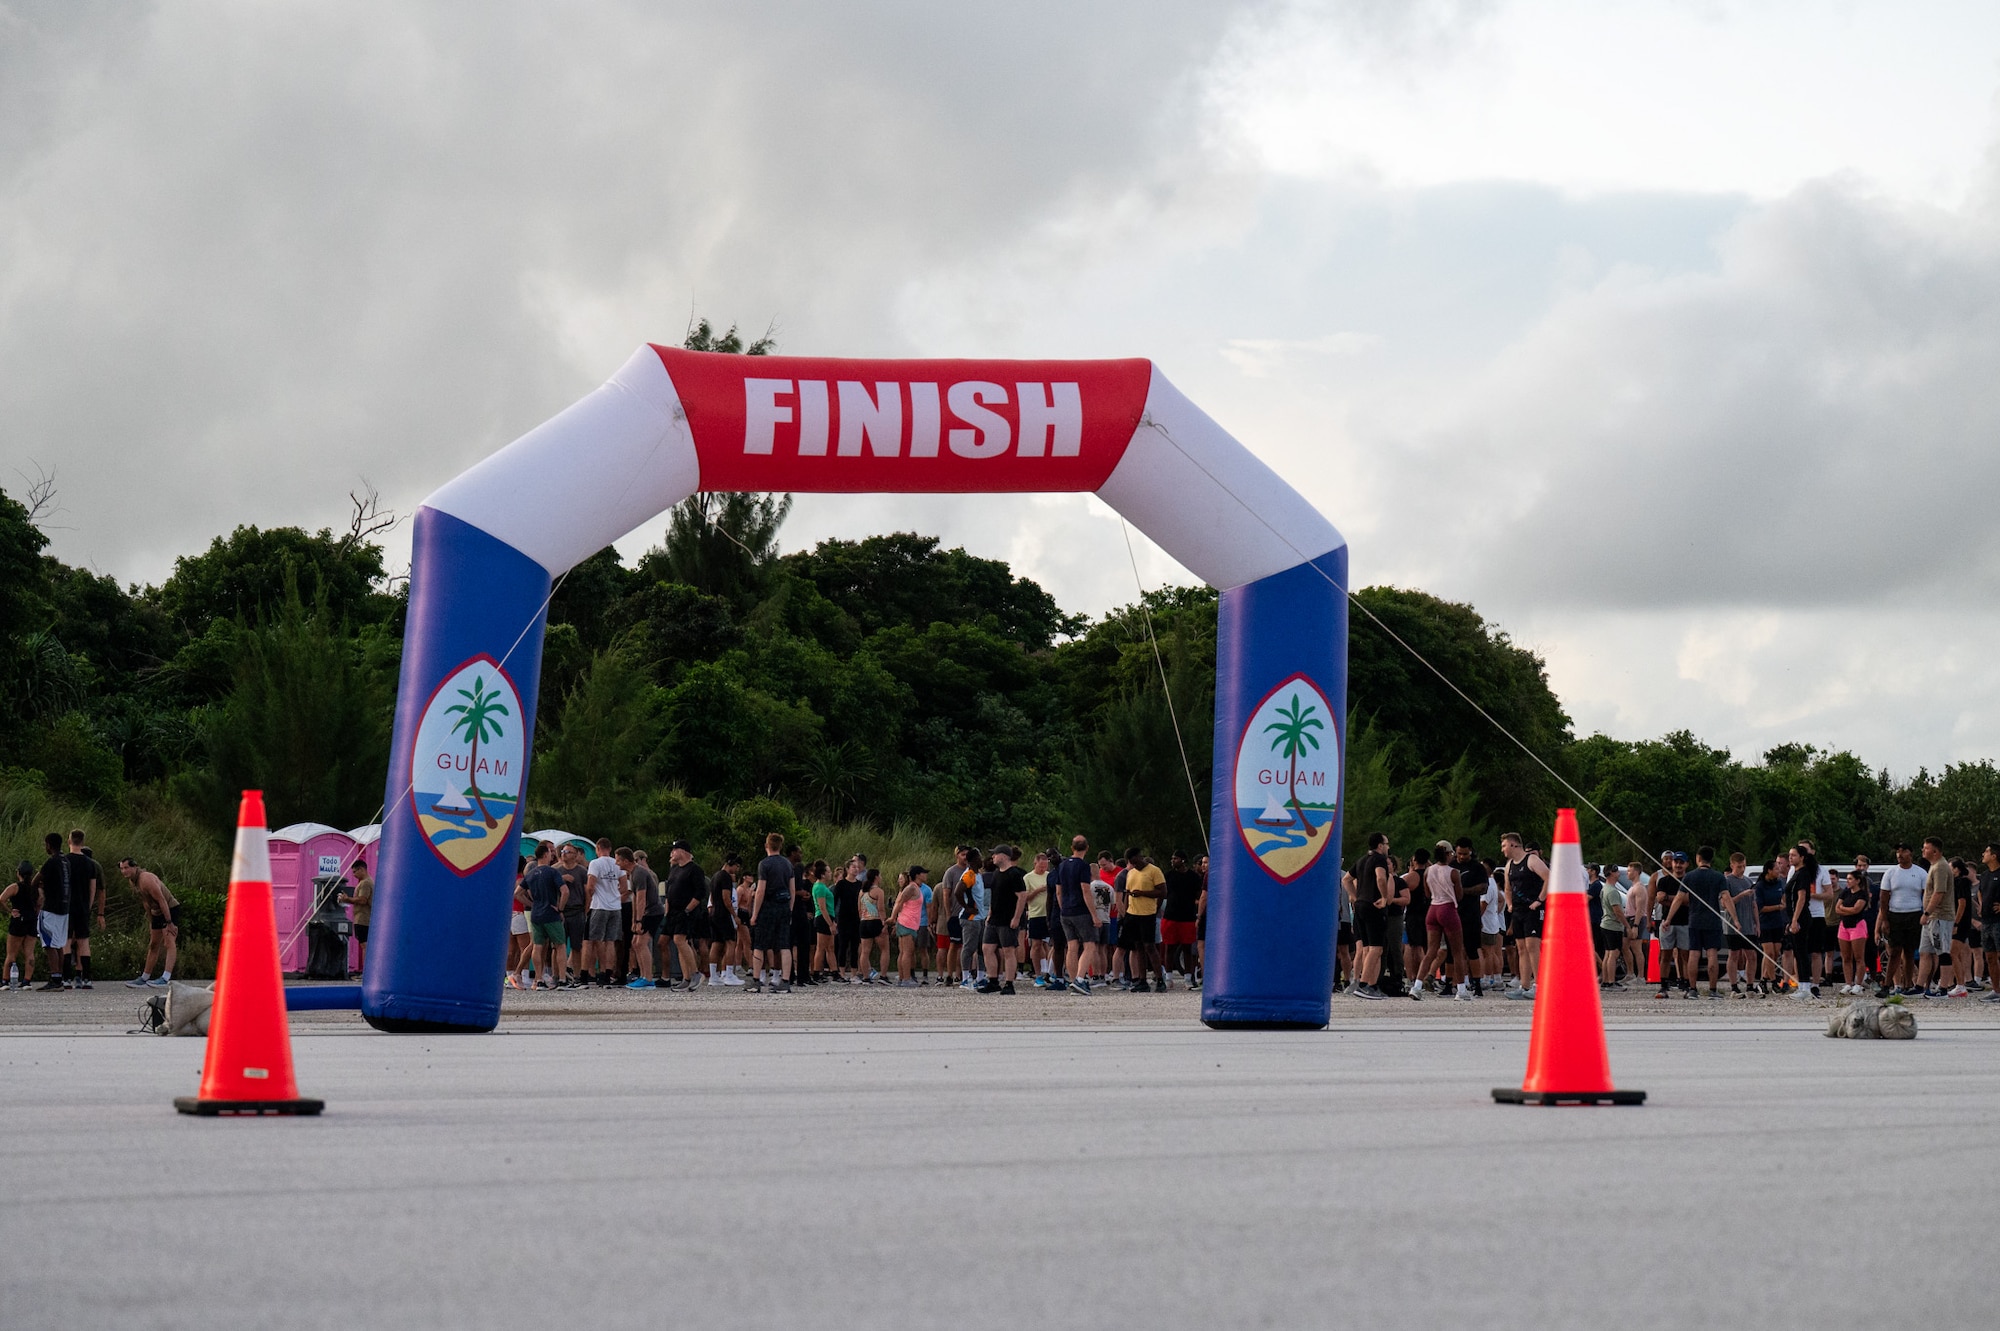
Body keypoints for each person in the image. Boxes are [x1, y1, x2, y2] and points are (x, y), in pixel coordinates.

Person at [1416, 841, 1472, 1000]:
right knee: (1457, 951)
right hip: (1447, 908)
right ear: (1448, 854)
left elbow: (1427, 894)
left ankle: (1417, 986)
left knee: (1431, 951)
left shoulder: (1428, 871)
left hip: (1432, 909)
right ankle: (1461, 989)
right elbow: (1459, 895)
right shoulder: (1453, 872)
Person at [1499, 832, 1548, 999]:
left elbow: (1548, 877)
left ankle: (1539, 985)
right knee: (1521, 948)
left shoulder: (1532, 860)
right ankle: (1525, 985)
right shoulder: (1509, 865)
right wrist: (1510, 903)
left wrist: (1539, 900)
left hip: (1533, 910)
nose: (1503, 849)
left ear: (1514, 845)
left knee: (1533, 947)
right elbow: (1507, 887)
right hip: (1518, 910)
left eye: (1504, 845)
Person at [1676, 846, 1729, 998]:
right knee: (1712, 954)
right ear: (1711, 859)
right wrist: (1735, 919)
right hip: (1713, 921)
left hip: (1694, 920)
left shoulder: (1690, 876)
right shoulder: (1719, 877)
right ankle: (1713, 990)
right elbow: (1726, 898)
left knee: (1694, 954)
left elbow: (1679, 899)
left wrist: (1668, 918)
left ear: (1698, 858)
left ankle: (1692, 989)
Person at [120, 858, 180, 988]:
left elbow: (162, 900)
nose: (124, 871)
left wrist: (169, 922)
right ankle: (145, 977)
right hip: (156, 912)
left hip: (169, 909)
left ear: (134, 867)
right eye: (122, 868)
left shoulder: (146, 879)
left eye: (126, 868)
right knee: (153, 944)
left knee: (169, 941)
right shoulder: (133, 882)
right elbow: (146, 901)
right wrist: (151, 921)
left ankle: (165, 977)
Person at [1876, 843, 1926, 996]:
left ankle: (1907, 984)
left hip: (1914, 914)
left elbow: (1925, 895)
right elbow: (1883, 898)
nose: (1900, 854)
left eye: (1903, 851)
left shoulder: (1920, 873)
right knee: (1894, 951)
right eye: (1898, 851)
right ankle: (1887, 984)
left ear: (1910, 853)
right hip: (1895, 914)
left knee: (1910, 951)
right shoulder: (1891, 873)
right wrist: (1884, 920)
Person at [747, 832, 794, 993]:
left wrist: (754, 914)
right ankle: (785, 980)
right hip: (783, 906)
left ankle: (756, 980)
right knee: (784, 944)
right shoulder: (788, 864)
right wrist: (790, 909)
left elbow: (760, 890)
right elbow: (792, 890)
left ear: (767, 846)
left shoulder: (764, 864)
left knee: (759, 944)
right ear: (780, 846)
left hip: (767, 906)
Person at [1054, 836, 1098, 995]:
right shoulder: (1083, 866)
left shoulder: (1062, 865)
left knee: (1072, 947)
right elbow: (1086, 890)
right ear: (1087, 848)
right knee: (1089, 945)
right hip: (1081, 910)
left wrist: (1063, 908)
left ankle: (1073, 981)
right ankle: (1080, 978)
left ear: (1072, 848)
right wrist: (1094, 915)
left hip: (1065, 911)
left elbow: (1058, 891)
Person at [522, 841, 570, 988]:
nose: (552, 855)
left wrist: (532, 904)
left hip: (536, 914)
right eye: (550, 853)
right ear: (545, 854)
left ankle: (539, 979)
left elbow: (517, 893)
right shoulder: (553, 872)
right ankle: (562, 979)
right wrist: (560, 908)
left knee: (537, 946)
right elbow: (565, 891)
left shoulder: (531, 874)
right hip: (551, 913)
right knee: (560, 945)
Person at [1349, 834, 1391, 999]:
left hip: (1360, 905)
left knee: (1367, 948)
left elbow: (1347, 879)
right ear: (1380, 846)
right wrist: (1385, 897)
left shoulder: (1361, 860)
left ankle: (1372, 986)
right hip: (1373, 906)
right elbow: (1381, 878)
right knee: (1376, 948)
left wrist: (1355, 896)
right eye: (1387, 844)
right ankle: (1364, 984)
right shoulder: (1379, 859)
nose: (1388, 847)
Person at [1118, 847, 1166, 992]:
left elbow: (1163, 892)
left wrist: (1144, 894)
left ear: (1140, 857)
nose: (1134, 865)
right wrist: (1126, 913)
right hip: (1133, 914)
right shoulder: (1131, 873)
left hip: (1147, 914)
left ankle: (1159, 980)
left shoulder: (1154, 871)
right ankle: (1142, 980)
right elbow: (1127, 894)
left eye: (1135, 861)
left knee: (1149, 947)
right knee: (1138, 947)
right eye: (1131, 862)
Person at [660, 841, 705, 990]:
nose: (672, 852)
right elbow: (669, 891)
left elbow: (700, 893)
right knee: (677, 943)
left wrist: (687, 910)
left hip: (686, 911)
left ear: (683, 851)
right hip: (672, 912)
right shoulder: (674, 869)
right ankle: (686, 978)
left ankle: (696, 973)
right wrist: (668, 910)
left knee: (680, 940)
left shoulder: (694, 870)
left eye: (675, 849)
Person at [1916, 836, 1956, 997]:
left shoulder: (1940, 867)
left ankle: (1943, 988)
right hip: (1931, 918)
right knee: (1925, 951)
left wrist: (1927, 912)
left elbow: (1939, 893)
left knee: (1942, 951)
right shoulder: (1933, 866)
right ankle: (1919, 986)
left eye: (1926, 848)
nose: (1923, 850)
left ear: (1935, 851)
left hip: (1939, 916)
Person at [36, 832, 72, 990]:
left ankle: (55, 978)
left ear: (49, 844)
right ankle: (60, 978)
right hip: (64, 908)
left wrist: (39, 889)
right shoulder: (66, 861)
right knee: (58, 944)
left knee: (49, 944)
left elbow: (35, 880)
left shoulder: (51, 862)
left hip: (51, 908)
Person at [620, 847, 661, 987]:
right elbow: (635, 898)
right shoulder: (632, 874)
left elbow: (642, 898)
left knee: (641, 943)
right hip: (645, 913)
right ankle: (643, 975)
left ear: (626, 861)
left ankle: (648, 979)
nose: (616, 863)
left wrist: (639, 920)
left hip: (652, 912)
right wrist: (634, 920)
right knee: (635, 943)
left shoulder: (639, 873)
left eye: (618, 860)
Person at [65, 830, 100, 989]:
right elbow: (93, 888)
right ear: (83, 841)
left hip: (66, 906)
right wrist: (89, 905)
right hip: (83, 906)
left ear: (69, 841)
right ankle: (87, 978)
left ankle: (66, 978)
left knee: (66, 942)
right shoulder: (89, 863)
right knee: (83, 941)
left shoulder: (64, 861)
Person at [1453, 840, 1488, 996]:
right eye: (1459, 853)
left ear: (1471, 852)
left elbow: (1483, 887)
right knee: (1453, 950)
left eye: (1465, 854)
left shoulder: (1477, 867)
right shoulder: (1451, 865)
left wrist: (1462, 891)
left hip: (1471, 914)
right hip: (1454, 913)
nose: (1462, 857)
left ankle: (1477, 984)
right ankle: (1455, 982)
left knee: (1472, 950)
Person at [1652, 853, 1688, 998]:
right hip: (1667, 922)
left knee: (1685, 955)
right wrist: (1680, 899)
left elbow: (1689, 900)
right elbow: (1660, 898)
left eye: (1681, 862)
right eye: (1676, 862)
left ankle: (1686, 984)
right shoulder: (1663, 881)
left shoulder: (1688, 881)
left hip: (1685, 922)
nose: (1678, 865)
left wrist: (1670, 898)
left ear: (1686, 864)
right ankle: (1663, 985)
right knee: (1665, 954)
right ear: (1672, 864)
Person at [1724, 853, 1759, 995]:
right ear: (1732, 865)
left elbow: (1754, 904)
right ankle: (1734, 985)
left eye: (1744, 866)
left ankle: (1750, 984)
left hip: (1749, 923)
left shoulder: (1748, 881)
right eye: (1739, 866)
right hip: (1733, 924)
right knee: (1734, 954)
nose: (1742, 869)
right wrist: (1741, 895)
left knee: (1751, 955)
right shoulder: (1727, 881)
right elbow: (1725, 903)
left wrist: (1757, 923)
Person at [1022, 850, 1057, 987]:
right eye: (1040, 866)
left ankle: (1050, 971)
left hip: (1049, 914)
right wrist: (1039, 890)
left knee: (1051, 944)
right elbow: (1025, 898)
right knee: (1036, 945)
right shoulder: (1028, 878)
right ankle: (1038, 974)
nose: (1043, 869)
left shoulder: (1050, 876)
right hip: (1036, 914)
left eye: (1045, 866)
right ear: (1035, 864)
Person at [707, 853, 743, 985]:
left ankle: (713, 976)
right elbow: (726, 898)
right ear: (731, 863)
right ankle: (728, 974)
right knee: (731, 942)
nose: (737, 870)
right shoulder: (726, 877)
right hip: (723, 913)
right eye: (737, 866)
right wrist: (734, 915)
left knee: (716, 943)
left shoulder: (715, 876)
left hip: (714, 913)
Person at [1833, 869, 1871, 994]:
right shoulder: (1845, 892)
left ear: (1857, 880)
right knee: (1846, 957)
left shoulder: (1862, 894)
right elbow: (1837, 909)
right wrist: (1845, 909)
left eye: (1850, 879)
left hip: (1857, 925)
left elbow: (1856, 909)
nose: (1848, 882)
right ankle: (1848, 983)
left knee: (1859, 957)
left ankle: (1858, 983)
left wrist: (1843, 908)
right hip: (1844, 925)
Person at [4, 861, 38, 988]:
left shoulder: (15, 887)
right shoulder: (35, 889)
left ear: (18, 873)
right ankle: (27, 981)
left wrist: (9, 910)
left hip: (19, 920)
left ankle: (5, 980)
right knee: (29, 953)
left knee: (12, 953)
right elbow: (40, 902)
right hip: (32, 920)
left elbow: (1, 899)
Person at [890, 867, 927, 987]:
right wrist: (893, 917)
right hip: (907, 922)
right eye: (923, 873)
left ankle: (902, 978)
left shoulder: (915, 887)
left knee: (903, 952)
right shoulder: (911, 888)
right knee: (907, 952)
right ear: (917, 875)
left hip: (908, 922)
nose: (925, 875)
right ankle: (906, 978)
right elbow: (899, 902)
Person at [338, 861, 374, 978]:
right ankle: (367, 972)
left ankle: (366, 973)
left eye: (355, 872)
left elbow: (363, 900)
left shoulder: (365, 883)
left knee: (365, 946)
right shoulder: (367, 882)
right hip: (364, 918)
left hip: (363, 919)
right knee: (365, 945)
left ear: (361, 869)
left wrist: (347, 899)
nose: (353, 875)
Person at [1597, 864, 1627, 988]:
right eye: (1615, 871)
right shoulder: (1613, 891)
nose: (1618, 873)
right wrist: (1627, 925)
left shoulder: (1605, 889)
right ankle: (1610, 981)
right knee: (1614, 953)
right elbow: (1617, 911)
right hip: (1613, 925)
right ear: (1611, 873)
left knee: (1608, 953)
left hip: (1605, 924)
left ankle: (1605, 980)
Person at [857, 867, 887, 984]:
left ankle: (865, 977)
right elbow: (881, 909)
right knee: (884, 949)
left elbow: (859, 909)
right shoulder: (878, 891)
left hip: (864, 921)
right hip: (875, 921)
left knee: (865, 951)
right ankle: (883, 976)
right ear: (876, 877)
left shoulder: (862, 892)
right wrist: (884, 923)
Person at [1979, 844, 2000, 1004]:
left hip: (1998, 921)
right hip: (1986, 921)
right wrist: (1981, 905)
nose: (1983, 854)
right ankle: (1996, 990)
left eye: (1986, 852)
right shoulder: (1985, 875)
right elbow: (1980, 891)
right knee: (1990, 957)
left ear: (1994, 855)